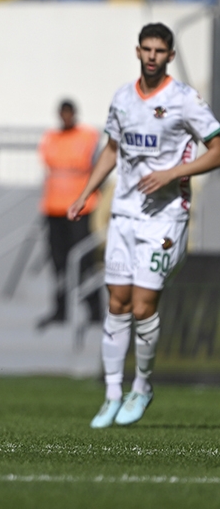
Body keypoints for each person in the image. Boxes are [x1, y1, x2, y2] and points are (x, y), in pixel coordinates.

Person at [68, 23, 220, 428]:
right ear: (138, 52)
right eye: (146, 49)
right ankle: (112, 393)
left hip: (165, 218)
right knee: (116, 301)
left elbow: (217, 149)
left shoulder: (185, 101)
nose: (152, 56)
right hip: (125, 213)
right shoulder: (122, 97)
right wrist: (86, 193)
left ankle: (143, 385)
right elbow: (112, 150)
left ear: (170, 56)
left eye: (160, 51)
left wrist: (175, 173)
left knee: (142, 304)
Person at [37, 99, 104, 330]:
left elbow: (96, 165)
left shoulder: (88, 137)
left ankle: (95, 310)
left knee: (84, 261)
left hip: (80, 208)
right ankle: (60, 310)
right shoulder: (51, 138)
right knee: (58, 263)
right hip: (54, 208)